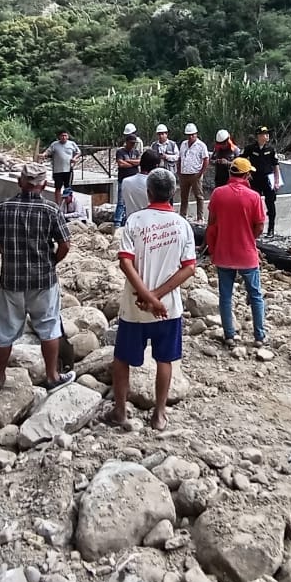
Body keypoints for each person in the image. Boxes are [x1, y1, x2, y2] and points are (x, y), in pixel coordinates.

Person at [0, 163, 75, 392]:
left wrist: (3, 250)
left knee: (6, 331)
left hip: (11, 281)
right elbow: (65, 244)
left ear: (20, 183)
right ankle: (52, 376)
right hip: (43, 280)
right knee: (49, 328)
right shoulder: (51, 210)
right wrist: (52, 262)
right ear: (45, 185)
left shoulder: (3, 208)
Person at [110, 169, 196, 431]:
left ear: (148, 193)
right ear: (173, 194)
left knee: (122, 359)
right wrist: (158, 298)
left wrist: (147, 297)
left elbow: (125, 262)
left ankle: (121, 411)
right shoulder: (182, 225)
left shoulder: (135, 221)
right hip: (167, 309)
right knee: (165, 360)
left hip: (134, 307)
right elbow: (189, 267)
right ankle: (159, 414)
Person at [206, 157, 267, 346]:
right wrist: (249, 236)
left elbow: (211, 223)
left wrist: (212, 246)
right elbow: (260, 226)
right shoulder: (254, 197)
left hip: (224, 252)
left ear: (231, 173)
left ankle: (229, 336)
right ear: (247, 175)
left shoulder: (218, 194)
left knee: (225, 296)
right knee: (256, 295)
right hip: (247, 253)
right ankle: (259, 336)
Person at [246, 126, 283, 237]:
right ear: (258, 136)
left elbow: (276, 165)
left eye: (267, 134)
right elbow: (241, 159)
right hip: (255, 179)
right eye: (264, 134)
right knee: (254, 204)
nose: (266, 136)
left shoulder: (271, 149)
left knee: (270, 203)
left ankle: (271, 228)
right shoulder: (250, 148)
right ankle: (253, 227)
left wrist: (276, 181)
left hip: (268, 179)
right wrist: (247, 173)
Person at [177, 123, 209, 221]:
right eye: (189, 135)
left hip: (195, 174)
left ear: (196, 134)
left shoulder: (201, 145)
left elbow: (206, 159)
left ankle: (200, 216)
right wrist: (179, 170)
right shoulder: (183, 144)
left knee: (199, 196)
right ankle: (183, 215)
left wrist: (201, 173)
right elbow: (180, 158)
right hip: (184, 174)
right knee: (184, 196)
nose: (191, 137)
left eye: (193, 135)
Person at [114, 124, 143, 226]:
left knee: (131, 201)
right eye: (131, 143)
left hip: (134, 179)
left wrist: (129, 161)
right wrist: (133, 164)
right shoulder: (120, 151)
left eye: (134, 143)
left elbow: (139, 162)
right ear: (126, 142)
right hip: (123, 179)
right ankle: (117, 222)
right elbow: (121, 163)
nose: (132, 145)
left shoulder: (136, 151)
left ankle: (128, 220)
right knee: (121, 201)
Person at [120, 149, 161, 220]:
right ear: (156, 166)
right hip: (150, 224)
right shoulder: (155, 185)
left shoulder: (125, 182)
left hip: (131, 222)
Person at [42, 129, 81, 198]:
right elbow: (48, 151)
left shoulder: (72, 144)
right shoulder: (54, 144)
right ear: (59, 137)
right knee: (58, 188)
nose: (64, 137)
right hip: (57, 170)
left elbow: (78, 152)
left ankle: (68, 204)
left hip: (68, 170)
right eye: (62, 136)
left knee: (68, 188)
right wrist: (43, 155)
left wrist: (74, 158)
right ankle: (58, 204)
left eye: (65, 135)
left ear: (68, 136)